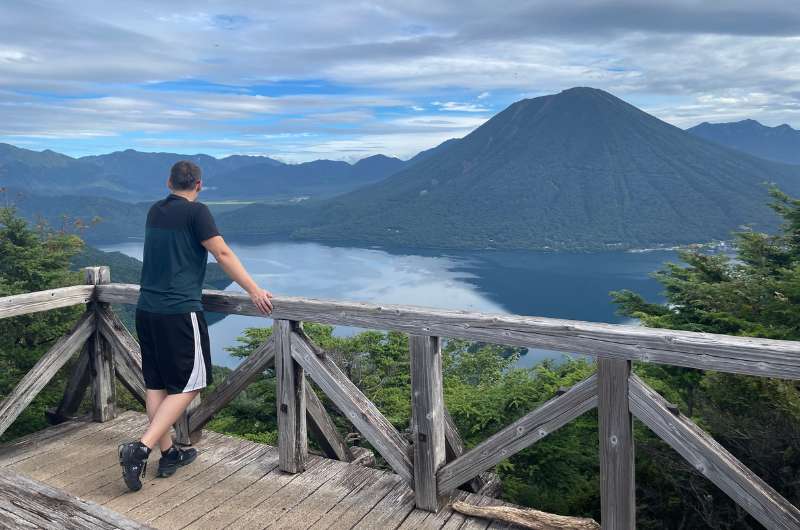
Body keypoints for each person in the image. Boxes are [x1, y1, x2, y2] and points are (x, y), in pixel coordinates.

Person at [118, 160, 273, 492]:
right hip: (178, 310)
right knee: (191, 385)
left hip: (147, 309)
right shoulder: (197, 212)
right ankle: (141, 448)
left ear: (168, 181)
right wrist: (254, 290)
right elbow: (222, 253)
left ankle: (170, 452)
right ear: (199, 185)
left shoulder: (154, 211)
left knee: (156, 385)